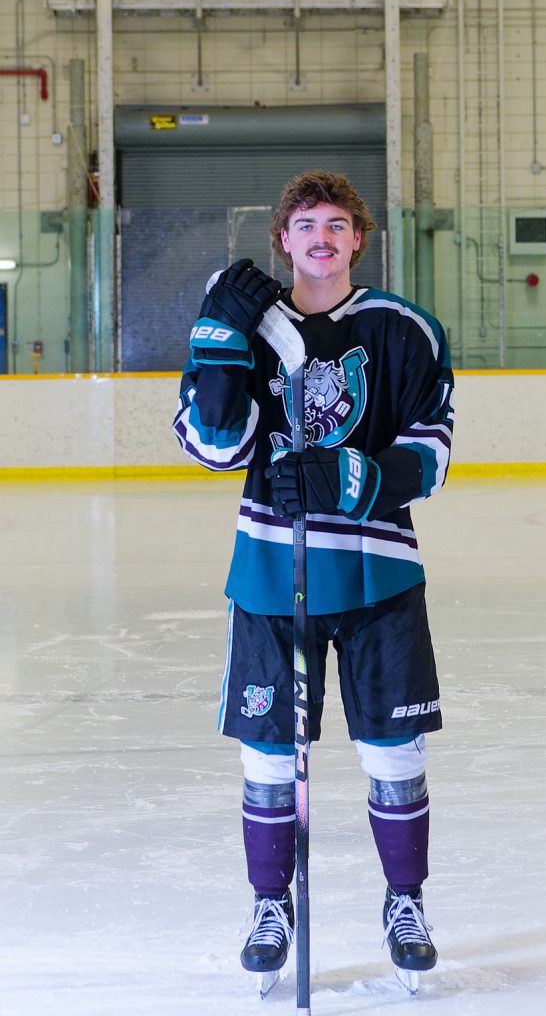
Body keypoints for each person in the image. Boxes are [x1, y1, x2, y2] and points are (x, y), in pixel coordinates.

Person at [173, 171, 454, 987]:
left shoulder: (402, 329)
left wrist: (346, 478)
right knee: (267, 755)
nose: (321, 238)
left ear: (358, 239)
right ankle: (270, 905)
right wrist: (217, 344)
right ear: (282, 240)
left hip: (377, 579)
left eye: (336, 224)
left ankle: (405, 902)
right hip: (271, 573)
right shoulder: (249, 325)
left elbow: (431, 455)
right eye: (305, 225)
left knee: (393, 751)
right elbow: (214, 446)